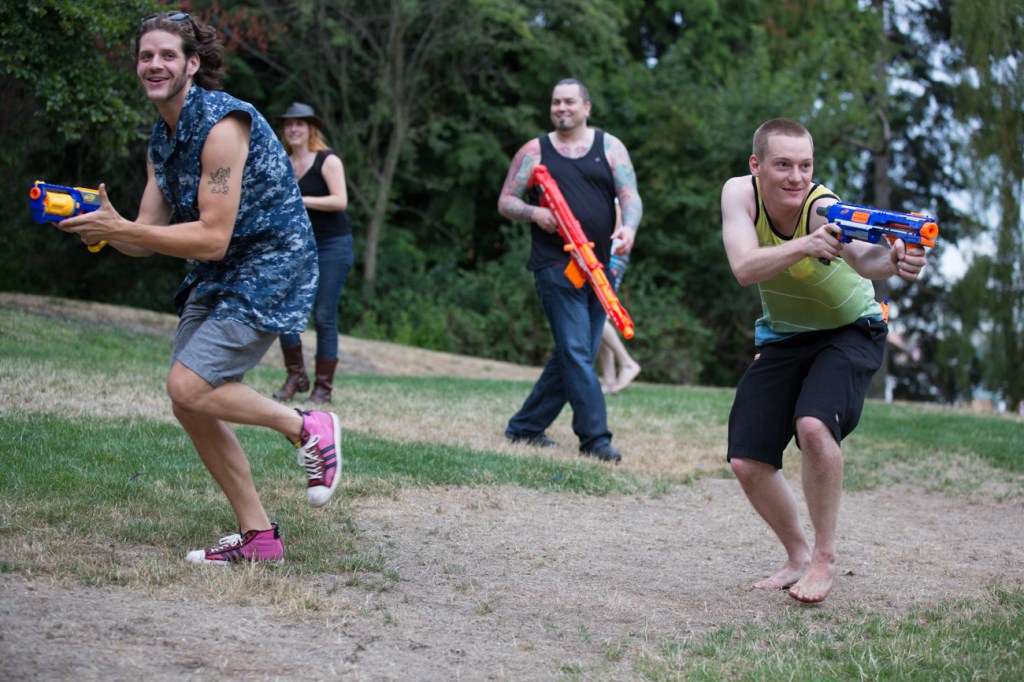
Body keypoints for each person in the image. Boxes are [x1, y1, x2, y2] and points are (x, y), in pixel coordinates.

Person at [58, 11, 344, 566]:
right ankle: (259, 537)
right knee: (188, 401)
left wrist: (125, 231)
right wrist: (102, 227)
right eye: (146, 56)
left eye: (167, 55)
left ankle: (308, 424)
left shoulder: (222, 125)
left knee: (189, 385)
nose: (154, 64)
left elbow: (212, 236)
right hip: (217, 272)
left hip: (269, 263)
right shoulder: (160, 141)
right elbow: (148, 236)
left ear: (192, 64)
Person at [720, 118, 929, 603]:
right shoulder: (738, 195)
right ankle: (797, 555)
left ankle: (824, 559)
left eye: (806, 165)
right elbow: (744, 268)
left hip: (851, 329)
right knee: (747, 461)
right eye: (784, 165)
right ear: (756, 166)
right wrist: (807, 247)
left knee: (814, 427)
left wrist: (898, 260)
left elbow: (866, 260)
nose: (797, 177)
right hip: (785, 336)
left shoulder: (823, 208)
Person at [498, 78, 642, 463]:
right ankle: (595, 439)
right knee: (578, 351)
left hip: (601, 266)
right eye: (556, 102)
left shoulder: (609, 147)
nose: (562, 108)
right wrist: (535, 212)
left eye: (569, 102)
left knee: (575, 351)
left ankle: (525, 427)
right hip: (555, 265)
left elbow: (631, 197)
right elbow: (506, 201)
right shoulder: (535, 150)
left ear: (586, 108)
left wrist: (628, 228)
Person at [271, 102, 354, 405]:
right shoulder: (283, 162)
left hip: (333, 245)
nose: (293, 129)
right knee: (286, 312)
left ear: (311, 129)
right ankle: (296, 375)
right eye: (289, 124)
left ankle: (323, 388)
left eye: (300, 124)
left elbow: (340, 200)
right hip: (298, 247)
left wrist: (301, 199)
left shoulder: (327, 161)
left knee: (323, 316)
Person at [597, 227, 641, 395]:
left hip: (611, 252)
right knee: (600, 315)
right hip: (610, 251)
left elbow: (616, 225)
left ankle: (627, 363)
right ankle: (610, 381)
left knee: (597, 315)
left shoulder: (614, 200)